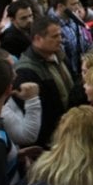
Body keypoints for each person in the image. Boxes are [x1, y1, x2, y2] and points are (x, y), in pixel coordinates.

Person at [14, 16, 73, 147]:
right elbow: (39, 114)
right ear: (37, 39)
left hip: (70, 129)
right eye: (54, 36)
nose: (60, 39)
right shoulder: (25, 71)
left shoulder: (59, 54)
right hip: (52, 139)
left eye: (60, 35)